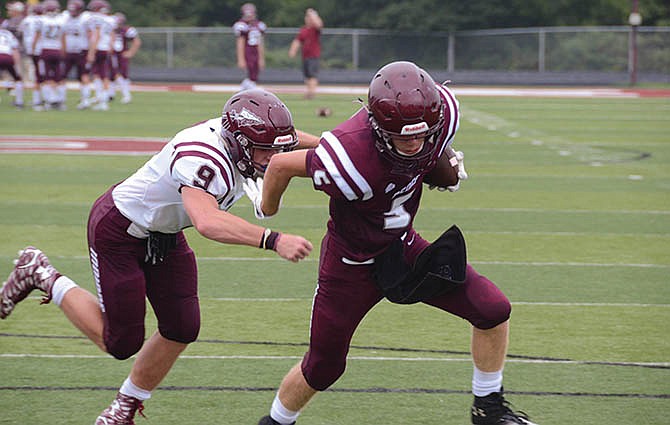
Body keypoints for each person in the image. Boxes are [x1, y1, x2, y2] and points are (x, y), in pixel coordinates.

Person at [0, 89, 317, 424]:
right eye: (265, 150)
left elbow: (293, 142)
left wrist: (331, 145)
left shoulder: (242, 136)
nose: (273, 158)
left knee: (182, 326)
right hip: (119, 231)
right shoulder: (202, 157)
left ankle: (123, 408)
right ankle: (40, 271)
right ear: (239, 142)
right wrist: (273, 240)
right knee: (121, 342)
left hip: (162, 234)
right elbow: (208, 222)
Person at [254, 61, 538, 425]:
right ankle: (275, 422)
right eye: (403, 137)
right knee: (324, 366)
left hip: (404, 247)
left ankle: (488, 410)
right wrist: (267, 207)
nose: (415, 144)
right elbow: (279, 165)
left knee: (492, 308)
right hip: (350, 266)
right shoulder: (348, 159)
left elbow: (428, 144)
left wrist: (439, 159)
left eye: (423, 136)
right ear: (376, 127)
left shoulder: (443, 112)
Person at [62, 0, 94, 109]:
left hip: (82, 51)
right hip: (68, 51)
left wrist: (91, 52)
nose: (72, 13)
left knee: (83, 75)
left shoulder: (86, 18)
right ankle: (60, 100)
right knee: (61, 75)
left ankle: (85, 101)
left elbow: (91, 36)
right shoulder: (65, 16)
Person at [288, 8, 323, 100]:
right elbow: (297, 41)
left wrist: (313, 14)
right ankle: (309, 92)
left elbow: (319, 24)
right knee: (307, 76)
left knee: (312, 75)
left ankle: (311, 93)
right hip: (305, 57)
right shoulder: (303, 30)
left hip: (313, 55)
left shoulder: (315, 29)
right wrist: (293, 50)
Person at [109, 12, 141, 104]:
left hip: (121, 55)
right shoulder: (110, 30)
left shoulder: (127, 30)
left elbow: (137, 41)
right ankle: (111, 94)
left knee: (122, 75)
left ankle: (126, 95)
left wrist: (131, 52)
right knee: (112, 74)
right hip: (112, 54)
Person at [233, 3, 265, 90]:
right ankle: (249, 89)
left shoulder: (259, 25)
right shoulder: (242, 25)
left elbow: (260, 43)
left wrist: (261, 58)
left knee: (255, 74)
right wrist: (240, 59)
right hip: (247, 51)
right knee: (250, 74)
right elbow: (240, 43)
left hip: (255, 52)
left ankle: (243, 90)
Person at [0, 25, 24, 108]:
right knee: (18, 79)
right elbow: (15, 50)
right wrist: (17, 66)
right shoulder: (8, 34)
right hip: (7, 56)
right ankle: (19, 102)